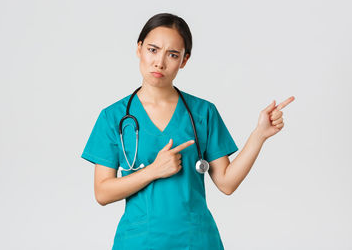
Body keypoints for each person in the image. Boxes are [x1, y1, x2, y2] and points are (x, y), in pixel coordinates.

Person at [81, 12, 295, 249]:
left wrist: (259, 135)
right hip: (138, 241)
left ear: (184, 60)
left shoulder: (202, 113)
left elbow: (226, 183)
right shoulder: (113, 117)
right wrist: (153, 170)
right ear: (139, 49)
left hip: (197, 240)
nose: (160, 62)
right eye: (153, 50)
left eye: (172, 54)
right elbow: (102, 193)